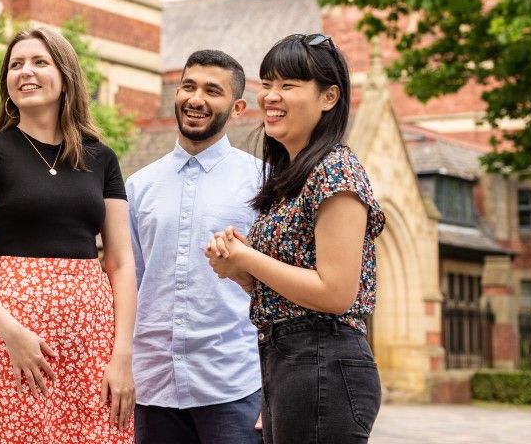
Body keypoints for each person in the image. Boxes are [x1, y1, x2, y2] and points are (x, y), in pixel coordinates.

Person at [0, 26, 136, 442]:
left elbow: (120, 262)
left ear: (65, 76)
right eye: (15, 65)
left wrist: (121, 355)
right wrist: (11, 333)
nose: (25, 72)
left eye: (39, 62)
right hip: (17, 336)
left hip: (92, 343)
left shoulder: (101, 158)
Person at [205, 33, 385, 444]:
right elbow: (285, 286)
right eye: (267, 84)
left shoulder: (336, 171)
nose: (271, 96)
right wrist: (237, 264)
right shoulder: (290, 178)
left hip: (323, 358)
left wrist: (250, 260)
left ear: (328, 97)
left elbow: (336, 293)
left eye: (288, 85)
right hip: (286, 360)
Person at [125, 50, 263, 444]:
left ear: (236, 107)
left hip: (233, 384)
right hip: (154, 386)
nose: (196, 99)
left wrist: (273, 388)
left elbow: (277, 296)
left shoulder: (262, 183)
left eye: (212, 90)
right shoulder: (139, 186)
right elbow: (130, 281)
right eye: (188, 86)